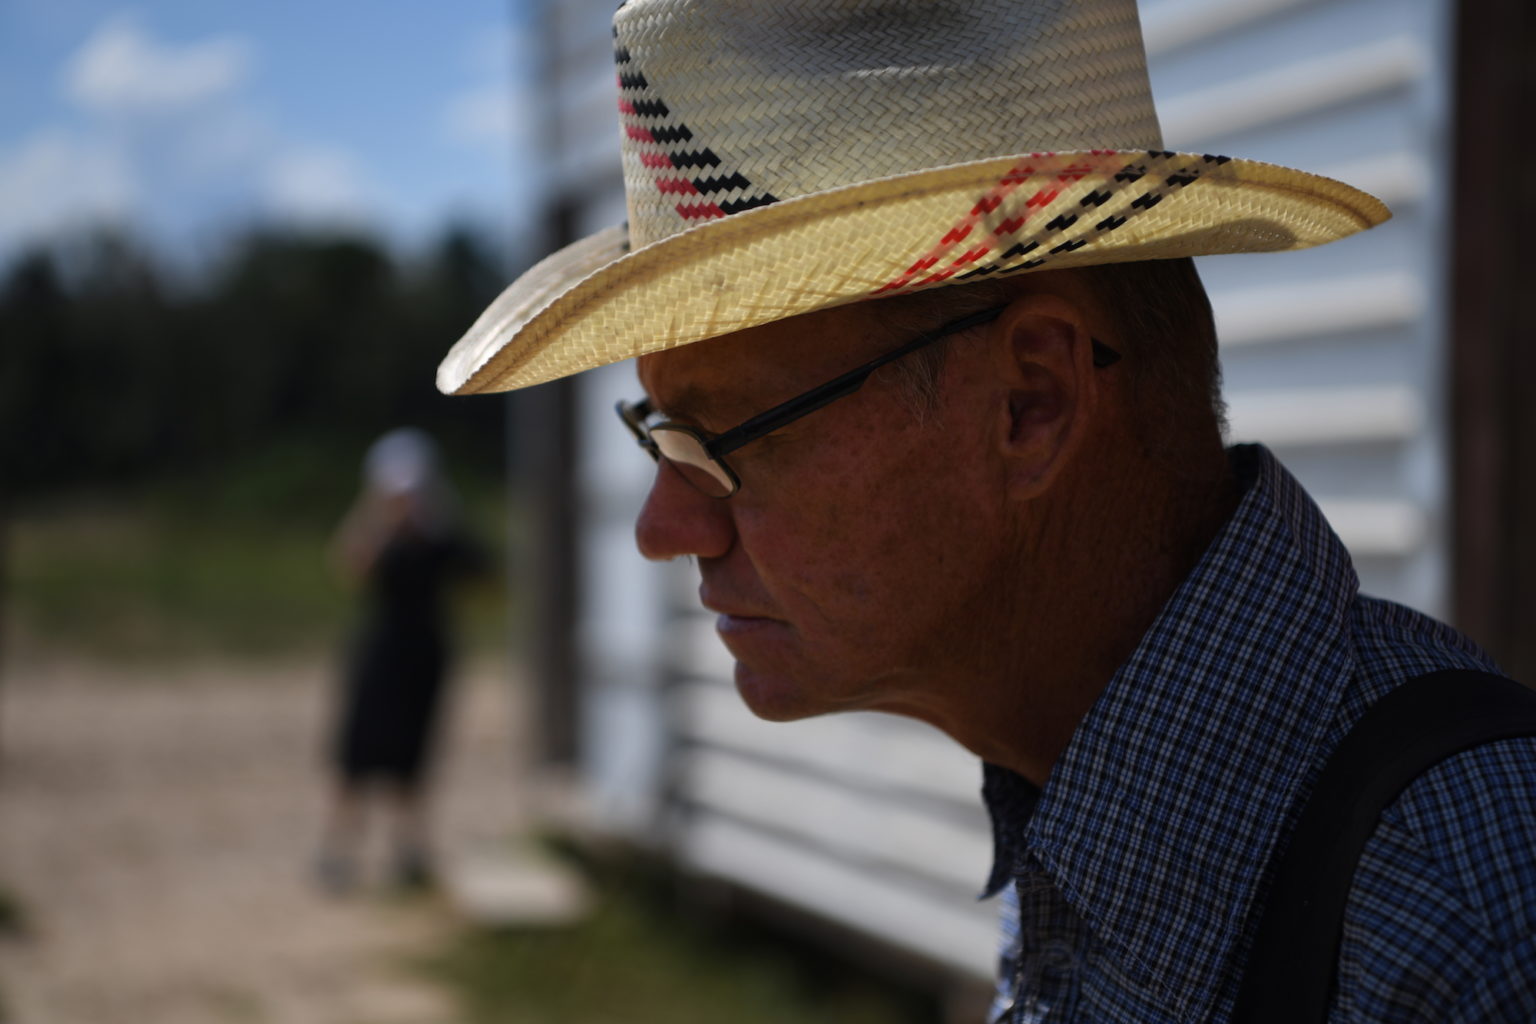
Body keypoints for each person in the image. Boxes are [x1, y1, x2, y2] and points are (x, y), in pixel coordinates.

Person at [437, 0, 1536, 1019]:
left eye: (723, 439)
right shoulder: (1110, 821)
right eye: (660, 431)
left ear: (1032, 400)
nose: (663, 527)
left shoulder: (1470, 930)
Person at [319, 427, 483, 892]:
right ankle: (338, 851)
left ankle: (410, 851)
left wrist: (438, 524)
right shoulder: (378, 534)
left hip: (424, 655)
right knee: (357, 754)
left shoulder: (440, 533)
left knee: (414, 758)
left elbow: (481, 568)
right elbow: (350, 566)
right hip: (380, 653)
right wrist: (377, 517)